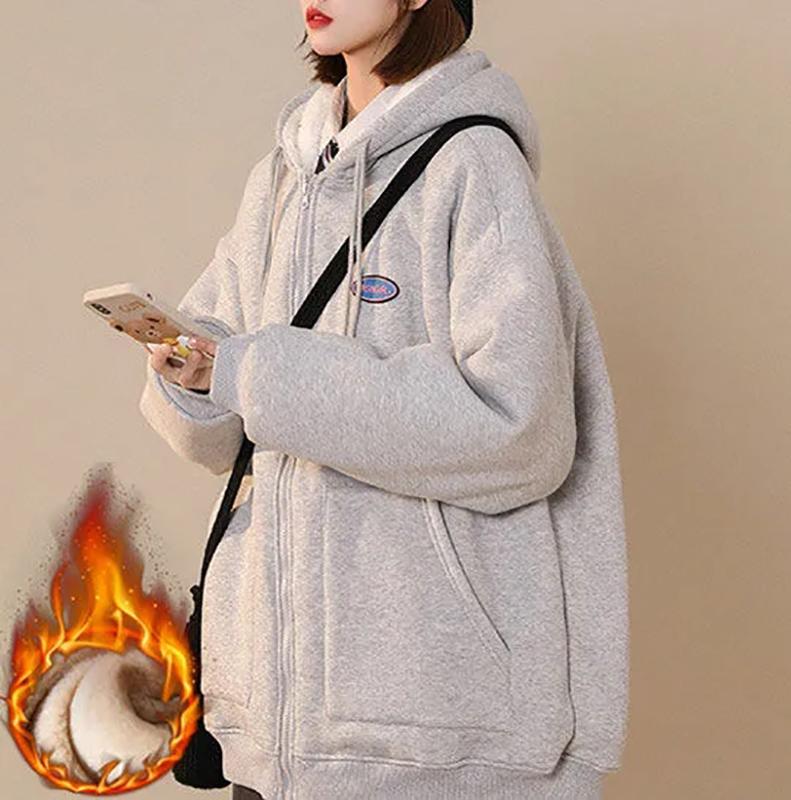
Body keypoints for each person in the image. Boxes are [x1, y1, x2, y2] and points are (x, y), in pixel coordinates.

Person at [139, 1, 630, 798]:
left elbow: (519, 431)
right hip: (272, 734)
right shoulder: (280, 179)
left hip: (432, 739)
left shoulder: (474, 164)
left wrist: (257, 375)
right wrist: (189, 375)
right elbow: (228, 427)